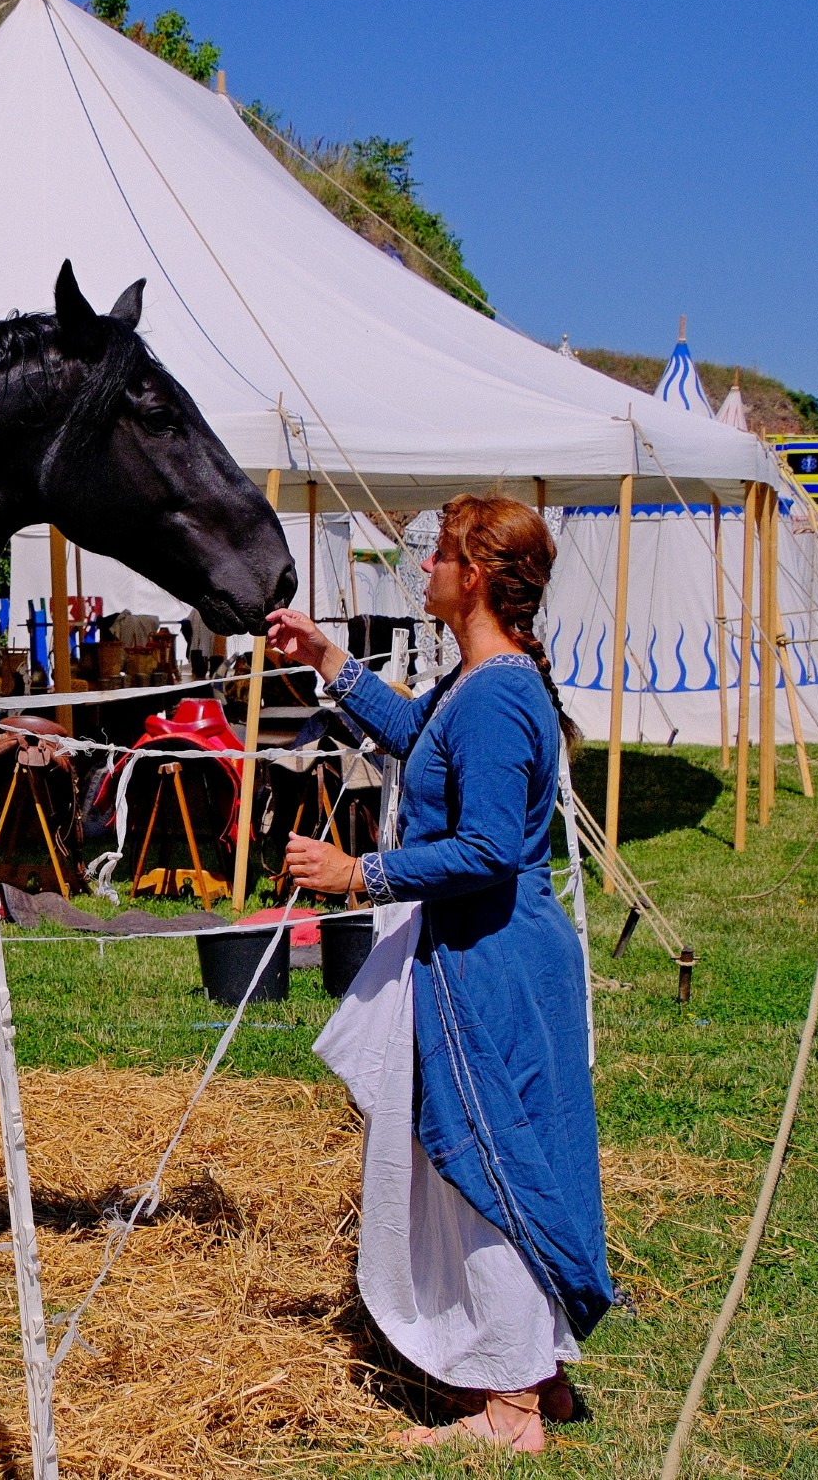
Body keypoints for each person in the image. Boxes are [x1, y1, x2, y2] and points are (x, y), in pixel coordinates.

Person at [265, 495, 612, 1454]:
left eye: (436, 559)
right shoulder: (482, 682)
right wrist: (327, 659)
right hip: (481, 952)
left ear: (476, 576)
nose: (422, 572)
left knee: (485, 1165)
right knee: (491, 1156)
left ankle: (510, 1409)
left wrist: (358, 872)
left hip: (493, 960)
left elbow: (494, 846)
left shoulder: (500, 692)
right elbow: (420, 733)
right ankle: (531, 1376)